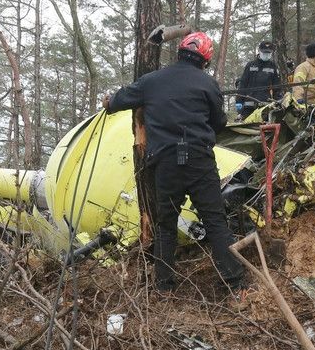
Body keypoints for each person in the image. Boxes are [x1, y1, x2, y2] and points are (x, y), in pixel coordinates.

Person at [102, 32, 245, 292]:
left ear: (180, 52)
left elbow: (117, 101)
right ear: (205, 59)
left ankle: (164, 285)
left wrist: (109, 102)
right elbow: (219, 123)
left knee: (166, 224)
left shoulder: (151, 81)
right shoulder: (208, 84)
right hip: (199, 159)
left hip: (166, 161)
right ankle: (234, 280)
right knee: (215, 220)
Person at [235, 41, 280, 118]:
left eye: (269, 53)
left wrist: (278, 102)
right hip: (248, 106)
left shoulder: (273, 67)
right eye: (264, 53)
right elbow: (243, 84)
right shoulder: (250, 65)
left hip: (265, 106)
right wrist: (239, 101)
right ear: (259, 51)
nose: (266, 55)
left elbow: (277, 87)